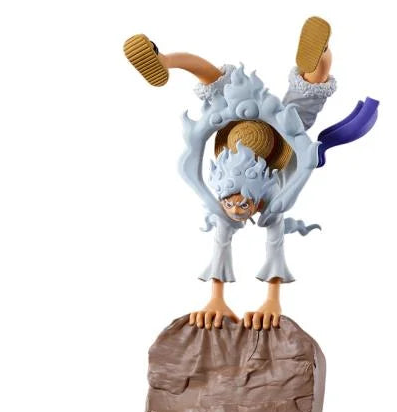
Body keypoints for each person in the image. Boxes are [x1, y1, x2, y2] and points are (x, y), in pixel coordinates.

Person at [124, 17, 336, 330]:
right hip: (241, 128)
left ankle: (321, 53)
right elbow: (221, 244)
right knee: (217, 79)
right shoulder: (226, 195)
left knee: (308, 90)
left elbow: (275, 244)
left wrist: (272, 301)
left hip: (282, 137)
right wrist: (216, 299)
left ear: (256, 198)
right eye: (231, 204)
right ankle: (163, 59)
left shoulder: (270, 197)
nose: (236, 211)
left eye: (242, 205)